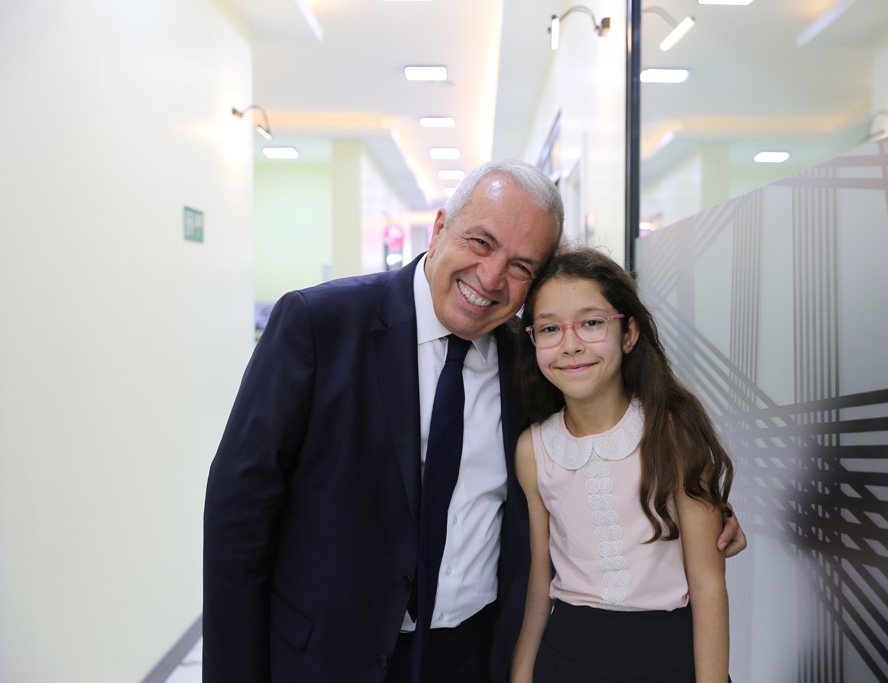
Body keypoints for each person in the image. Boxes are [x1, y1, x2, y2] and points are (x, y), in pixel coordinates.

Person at [203, 158, 746, 683]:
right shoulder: (320, 323)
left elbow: (597, 452)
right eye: (481, 242)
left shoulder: (533, 363)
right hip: (330, 654)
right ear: (440, 227)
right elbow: (239, 514)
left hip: (472, 655)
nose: (490, 277)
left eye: (521, 267)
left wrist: (699, 511)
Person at [510, 248, 734, 683]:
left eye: (592, 323)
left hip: (672, 659)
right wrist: (521, 674)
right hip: (566, 658)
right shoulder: (532, 448)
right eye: (550, 328)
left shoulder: (672, 432)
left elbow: (709, 585)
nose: (571, 345)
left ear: (629, 333)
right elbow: (539, 584)